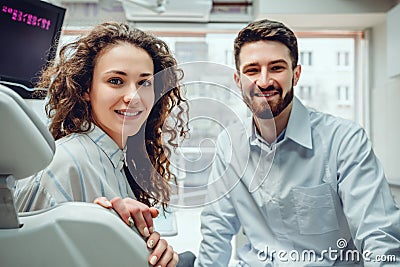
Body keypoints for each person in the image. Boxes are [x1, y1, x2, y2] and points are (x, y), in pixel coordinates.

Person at [196, 19, 400, 266]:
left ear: (296, 74)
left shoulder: (344, 140)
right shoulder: (229, 145)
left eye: (276, 68)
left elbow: (379, 234)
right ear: (239, 81)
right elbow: (216, 231)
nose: (263, 81)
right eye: (252, 70)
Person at [14, 21, 190, 267]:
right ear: (86, 89)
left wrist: (152, 252)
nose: (133, 96)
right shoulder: (63, 166)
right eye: (116, 81)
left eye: (144, 83)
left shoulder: (117, 161)